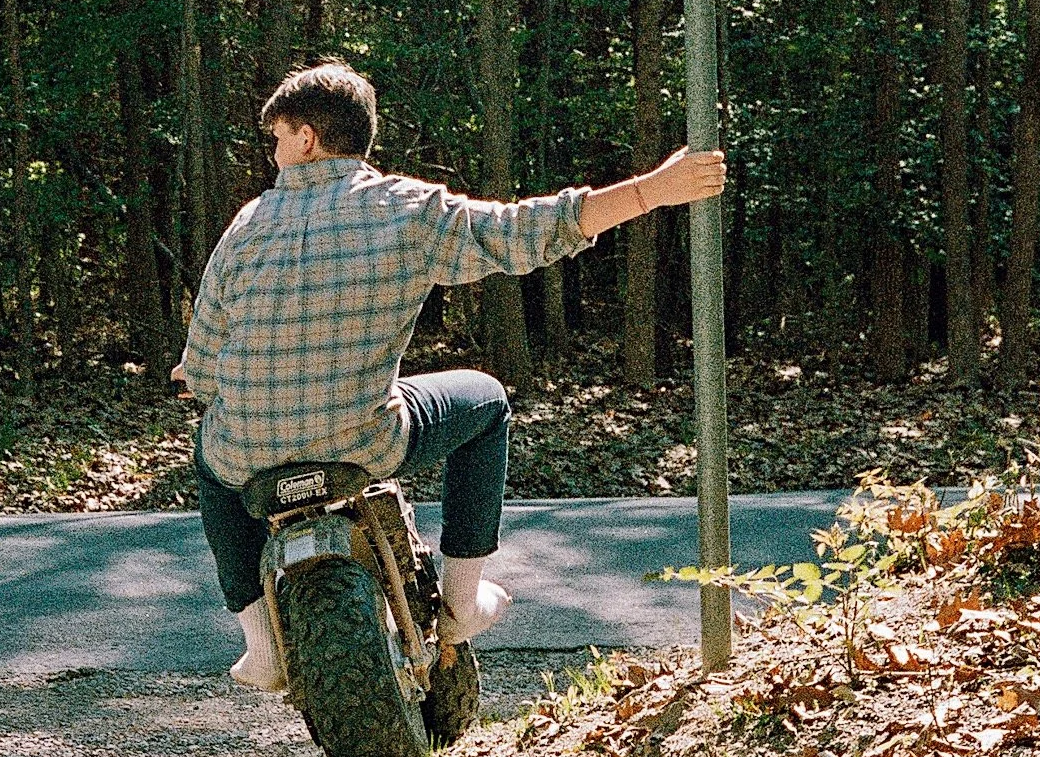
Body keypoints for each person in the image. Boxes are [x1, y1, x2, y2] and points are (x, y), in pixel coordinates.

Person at [172, 62, 726, 692]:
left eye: (276, 140)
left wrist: (198, 375)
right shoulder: (405, 208)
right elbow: (525, 232)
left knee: (210, 458)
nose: (273, 156)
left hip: (249, 454)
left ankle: (261, 644)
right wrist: (656, 188)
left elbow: (205, 353)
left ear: (306, 138)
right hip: (363, 440)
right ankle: (461, 601)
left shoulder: (245, 226)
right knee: (486, 402)